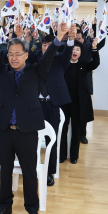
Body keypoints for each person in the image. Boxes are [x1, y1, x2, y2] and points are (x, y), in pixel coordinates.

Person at [0, 14, 68, 214]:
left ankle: (32, 209)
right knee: (4, 169)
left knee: (29, 171)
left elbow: (49, 54)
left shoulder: (36, 72)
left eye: (18, 54)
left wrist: (60, 36)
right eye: (11, 54)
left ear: (26, 55)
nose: (14, 58)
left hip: (27, 130)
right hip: (4, 129)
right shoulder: (1, 70)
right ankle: (5, 206)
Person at [35, 30, 74, 185]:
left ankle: (50, 171)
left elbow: (68, 50)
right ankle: (32, 167)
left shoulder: (60, 60)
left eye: (51, 45)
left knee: (51, 138)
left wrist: (71, 37)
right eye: (45, 45)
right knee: (31, 138)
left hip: (52, 105)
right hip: (35, 105)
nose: (47, 47)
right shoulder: (35, 59)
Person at [60, 37, 100, 164]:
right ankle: (61, 155)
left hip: (78, 103)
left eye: (78, 49)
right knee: (63, 128)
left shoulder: (83, 64)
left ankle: (74, 156)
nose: (75, 51)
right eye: (73, 49)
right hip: (64, 102)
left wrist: (94, 49)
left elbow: (96, 63)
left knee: (76, 130)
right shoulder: (63, 64)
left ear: (81, 52)